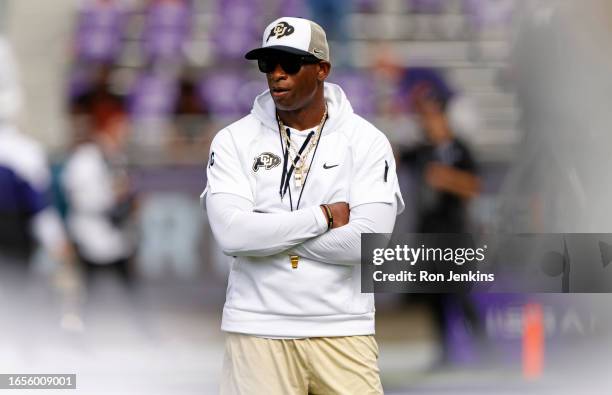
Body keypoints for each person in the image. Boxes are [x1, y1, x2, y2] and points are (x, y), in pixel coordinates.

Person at [203, 17, 404, 395]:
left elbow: (369, 245)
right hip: (256, 329)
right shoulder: (233, 140)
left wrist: (265, 232)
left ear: (322, 69)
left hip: (343, 329)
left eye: (290, 63)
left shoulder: (366, 141)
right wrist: (323, 217)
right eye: (268, 64)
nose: (277, 74)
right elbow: (232, 235)